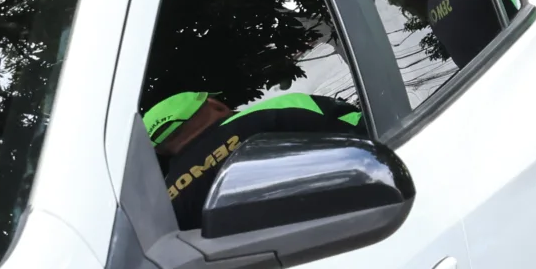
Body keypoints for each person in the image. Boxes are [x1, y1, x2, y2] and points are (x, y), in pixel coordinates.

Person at [141, 89, 367, 227]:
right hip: (365, 220)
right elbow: (369, 128)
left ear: (160, 151)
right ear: (216, 104)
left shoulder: (167, 202)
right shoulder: (278, 110)